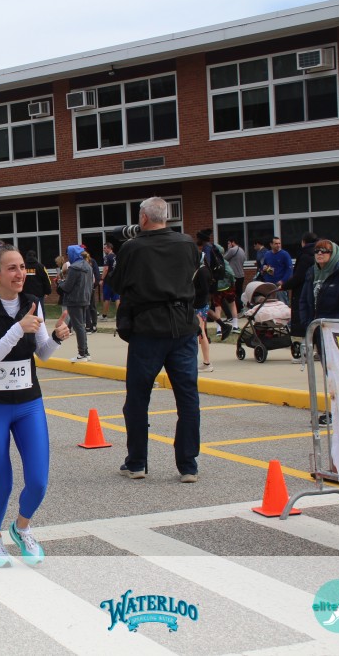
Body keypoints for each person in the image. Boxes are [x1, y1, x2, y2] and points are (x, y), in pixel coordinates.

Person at [0, 243, 71, 567]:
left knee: (38, 481)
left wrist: (56, 338)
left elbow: (42, 353)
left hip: (28, 403)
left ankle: (22, 526)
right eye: (12, 268)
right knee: (2, 483)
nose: (20, 274)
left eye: (22, 267)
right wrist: (17, 329)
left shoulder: (33, 303)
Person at [106, 197, 200, 483]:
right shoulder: (187, 244)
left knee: (137, 398)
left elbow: (116, 283)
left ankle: (137, 462)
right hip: (183, 326)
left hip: (147, 328)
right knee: (187, 397)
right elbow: (196, 278)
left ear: (144, 218)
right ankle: (188, 465)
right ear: (166, 217)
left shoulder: (133, 248)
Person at [299, 239, 339, 358]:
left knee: (336, 364)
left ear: (333, 253)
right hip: (316, 328)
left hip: (336, 331)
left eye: (324, 250)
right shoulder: (311, 272)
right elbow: (303, 300)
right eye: (317, 251)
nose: (319, 253)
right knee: (324, 363)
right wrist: (307, 323)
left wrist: (334, 325)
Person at [283, 232, 318, 351]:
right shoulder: (318, 254)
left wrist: (285, 286)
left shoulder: (304, 256)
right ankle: (316, 349)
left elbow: (299, 277)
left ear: (303, 242)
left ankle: (306, 350)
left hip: (303, 292)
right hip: (315, 291)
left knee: (304, 320)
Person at [58, 245, 93, 361]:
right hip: (85, 299)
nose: (68, 256)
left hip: (74, 300)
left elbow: (67, 287)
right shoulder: (88, 266)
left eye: (68, 254)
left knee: (78, 327)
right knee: (81, 326)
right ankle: (86, 352)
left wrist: (60, 283)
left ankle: (82, 353)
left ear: (73, 254)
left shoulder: (73, 268)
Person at [193, 251, 214, 372]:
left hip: (199, 306)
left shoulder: (202, 271)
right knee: (200, 334)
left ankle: (205, 363)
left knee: (199, 334)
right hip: (201, 305)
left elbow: (204, 290)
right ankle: (205, 362)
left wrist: (191, 291)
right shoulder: (204, 270)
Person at [261, 237, 293, 304]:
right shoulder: (267, 254)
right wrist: (264, 268)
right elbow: (264, 266)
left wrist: (282, 281)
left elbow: (289, 269)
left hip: (280, 285)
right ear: (271, 244)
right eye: (276, 243)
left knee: (282, 303)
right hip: (269, 284)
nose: (278, 245)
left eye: (279, 243)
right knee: (270, 304)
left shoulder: (285, 254)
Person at [224, 238, 247, 319]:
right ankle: (239, 311)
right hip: (241, 274)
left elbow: (224, 259)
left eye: (229, 243)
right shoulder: (242, 250)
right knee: (239, 293)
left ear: (233, 242)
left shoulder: (232, 250)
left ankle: (242, 308)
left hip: (234, 275)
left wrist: (228, 249)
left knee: (233, 294)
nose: (228, 245)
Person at [100, 242, 120, 321]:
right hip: (116, 280)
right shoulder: (116, 256)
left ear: (109, 248)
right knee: (117, 298)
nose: (103, 249)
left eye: (105, 248)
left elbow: (106, 269)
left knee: (106, 298)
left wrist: (102, 279)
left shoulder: (107, 257)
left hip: (108, 280)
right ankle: (118, 315)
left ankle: (104, 316)